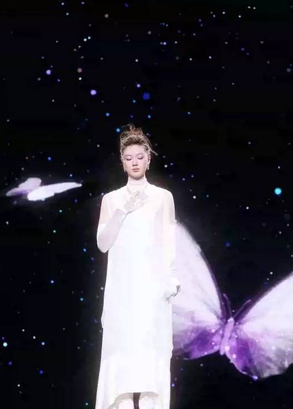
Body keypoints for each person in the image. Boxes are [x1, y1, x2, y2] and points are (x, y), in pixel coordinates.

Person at [95, 124, 181, 409]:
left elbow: (169, 241)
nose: (134, 162)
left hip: (151, 291)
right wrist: (123, 210)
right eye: (128, 158)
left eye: (140, 157)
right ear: (122, 162)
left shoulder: (163, 197)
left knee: (150, 363)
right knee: (121, 362)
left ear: (148, 159)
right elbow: (103, 243)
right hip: (122, 292)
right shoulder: (111, 200)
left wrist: (171, 279)